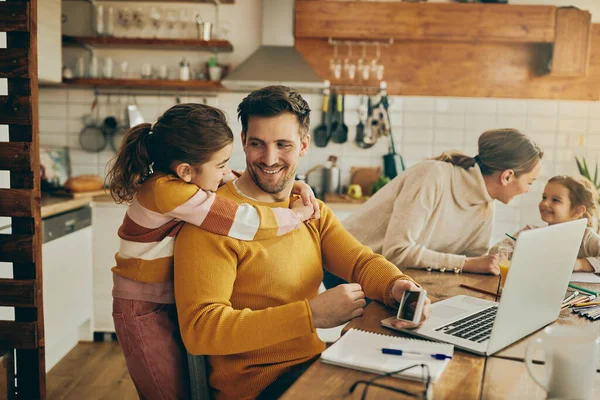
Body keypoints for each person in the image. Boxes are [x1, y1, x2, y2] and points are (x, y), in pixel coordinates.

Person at [173, 86, 431, 400]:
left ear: (304, 145)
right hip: (260, 388)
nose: (269, 159)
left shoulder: (307, 208)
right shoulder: (213, 221)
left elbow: (359, 261)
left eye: (283, 145)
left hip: (314, 366)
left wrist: (396, 285)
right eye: (257, 144)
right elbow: (201, 330)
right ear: (243, 142)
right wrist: (311, 315)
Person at [106, 103, 320, 400]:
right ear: (185, 171)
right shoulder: (167, 191)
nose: (224, 172)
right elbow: (240, 222)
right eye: (219, 164)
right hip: (142, 310)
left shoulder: (182, 180)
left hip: (164, 301)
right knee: (164, 392)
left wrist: (289, 183)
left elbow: (231, 179)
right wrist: (293, 216)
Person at [341, 128, 543, 279]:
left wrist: (515, 244)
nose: (527, 190)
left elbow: (474, 260)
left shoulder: (485, 203)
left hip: (388, 271)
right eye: (529, 182)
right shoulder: (433, 175)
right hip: (347, 260)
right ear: (507, 176)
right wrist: (468, 263)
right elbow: (397, 251)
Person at [490, 175, 600, 273]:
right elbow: (495, 251)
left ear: (578, 211)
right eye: (544, 197)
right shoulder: (530, 232)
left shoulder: (586, 238)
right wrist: (517, 253)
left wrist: (579, 264)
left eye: (555, 200)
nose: (544, 203)